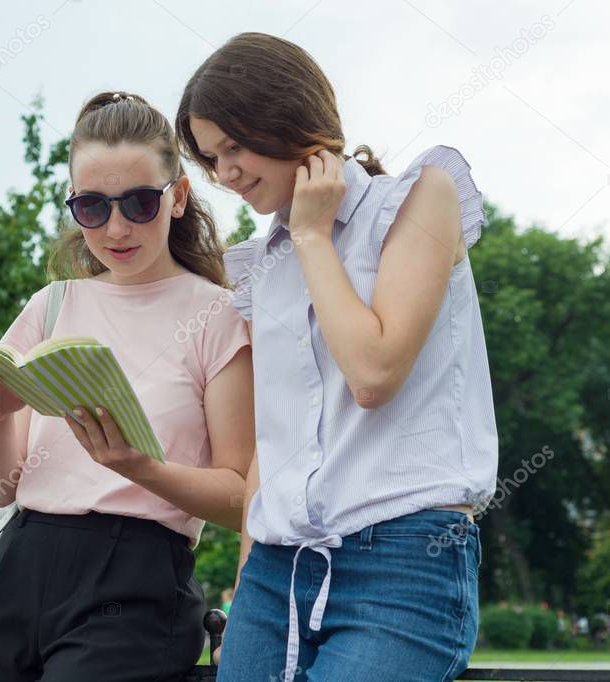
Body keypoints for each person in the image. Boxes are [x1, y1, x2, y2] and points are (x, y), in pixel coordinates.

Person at [175, 33, 498, 681]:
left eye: (233, 148)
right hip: (272, 571)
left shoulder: (416, 199)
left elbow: (373, 373)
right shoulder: (260, 264)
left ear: (286, 116)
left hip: (403, 558)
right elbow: (274, 443)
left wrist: (313, 237)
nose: (224, 174)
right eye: (210, 158)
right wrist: (245, 586)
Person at [0, 91, 255, 682]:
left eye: (140, 203)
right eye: (91, 207)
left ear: (179, 198)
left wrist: (139, 468)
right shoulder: (52, 305)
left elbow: (243, 497)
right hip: (19, 566)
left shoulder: (220, 315)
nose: (116, 228)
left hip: (136, 576)